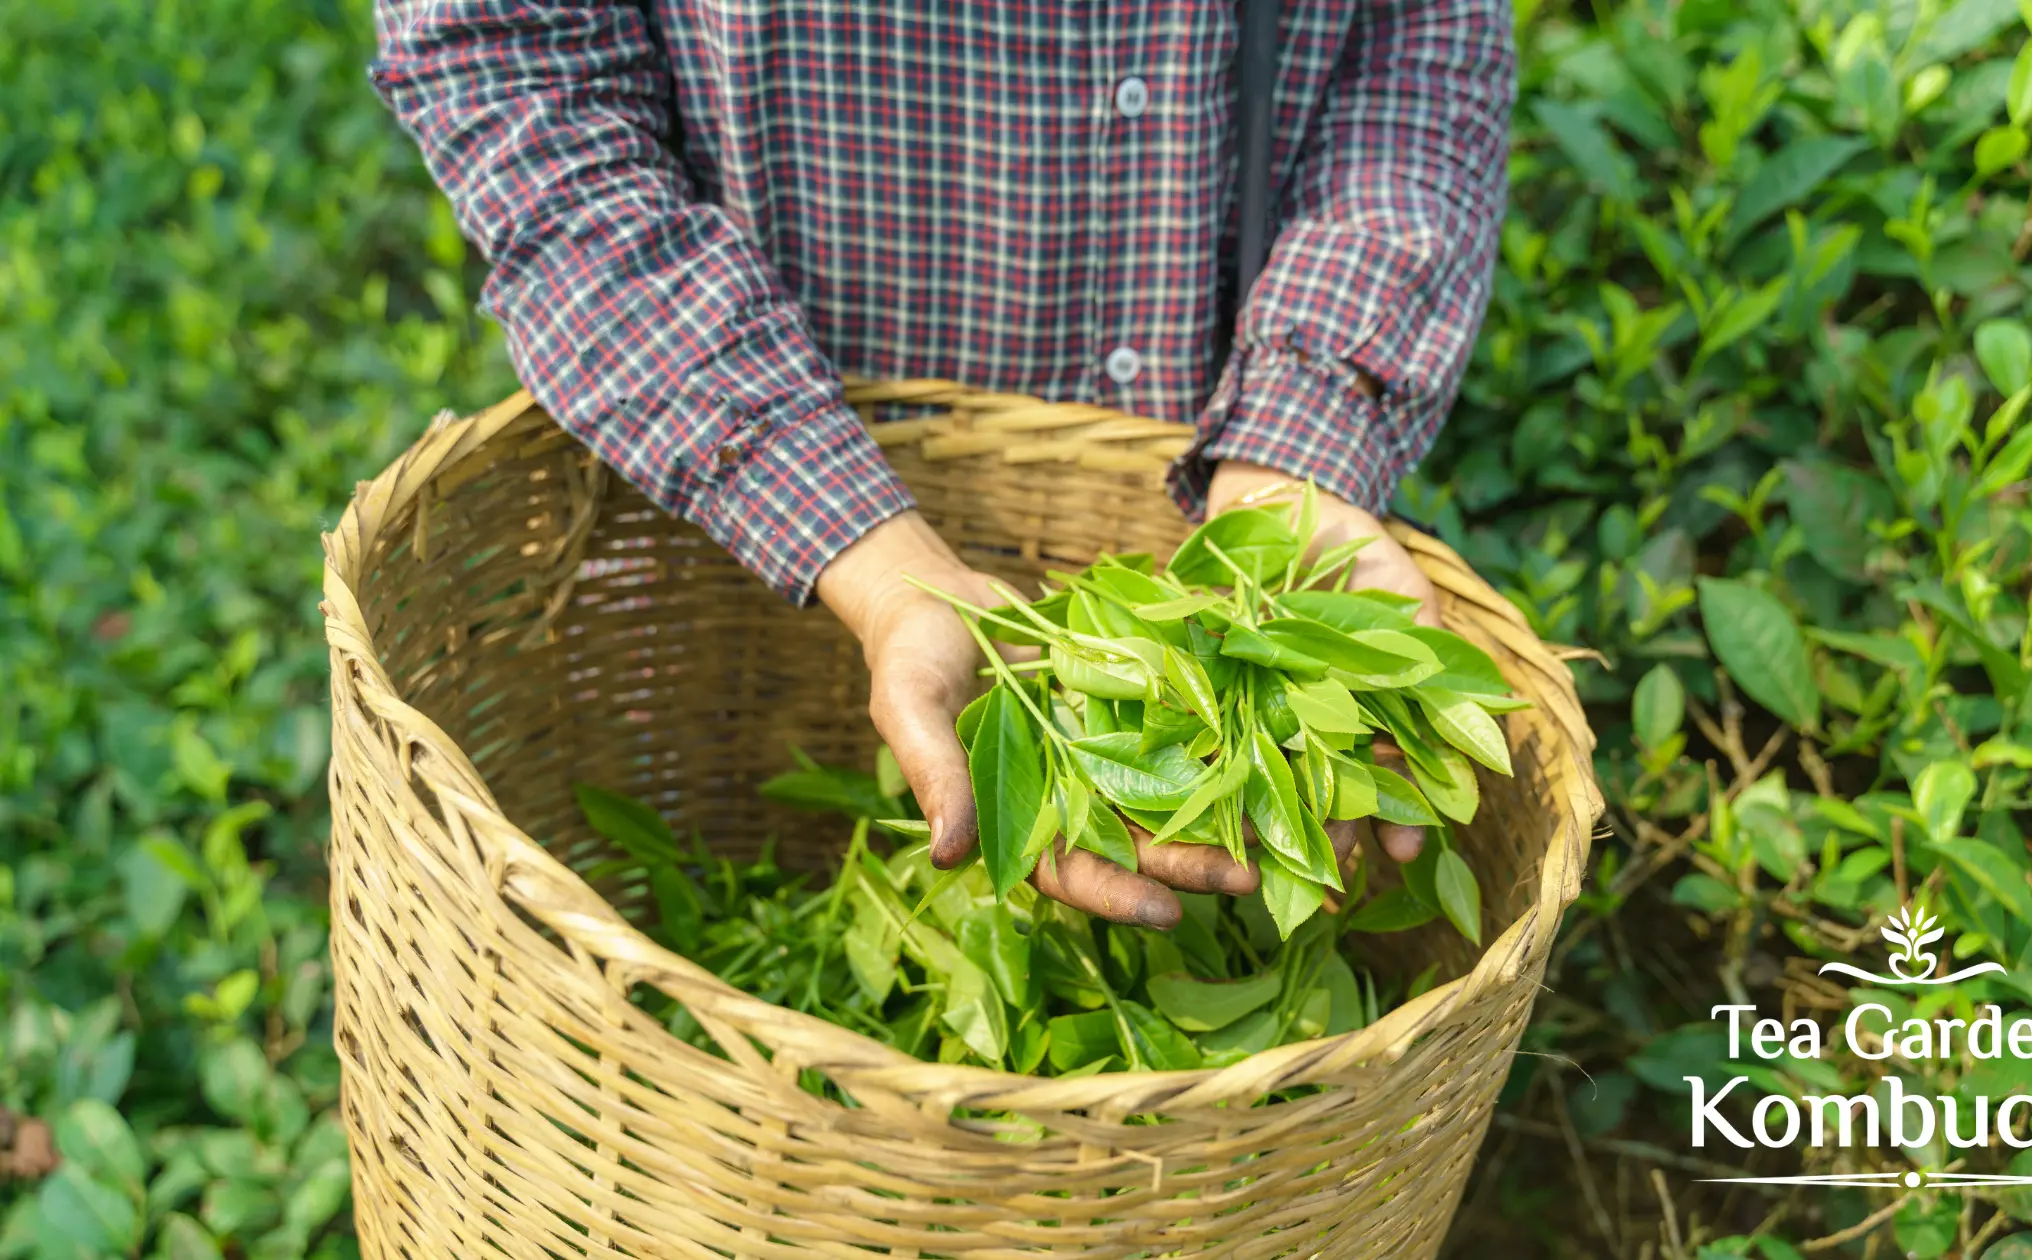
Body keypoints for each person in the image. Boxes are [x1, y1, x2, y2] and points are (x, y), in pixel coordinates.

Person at [371, 0, 1514, 929]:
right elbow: (511, 60)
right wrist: (857, 544)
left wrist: (1292, 454)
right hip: (727, 505)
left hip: (1208, 494)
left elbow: (1422, 43)